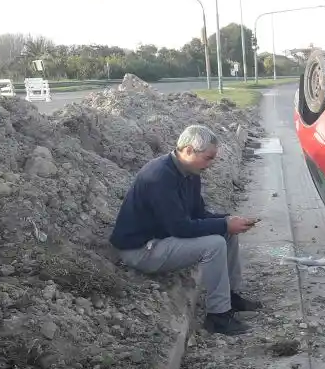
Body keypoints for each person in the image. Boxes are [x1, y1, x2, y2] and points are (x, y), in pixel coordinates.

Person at [110, 124, 261, 336]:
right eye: (208, 157)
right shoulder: (159, 177)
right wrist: (224, 224)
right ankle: (218, 316)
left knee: (227, 233)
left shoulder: (189, 172)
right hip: (141, 250)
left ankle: (231, 296)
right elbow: (180, 227)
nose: (210, 164)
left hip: (161, 239)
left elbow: (197, 214)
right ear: (188, 150)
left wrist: (228, 221)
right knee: (215, 244)